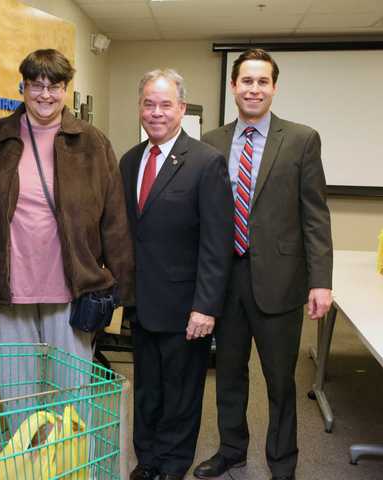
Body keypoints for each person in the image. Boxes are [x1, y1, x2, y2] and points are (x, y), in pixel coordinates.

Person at [0, 48, 134, 407]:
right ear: (23, 87)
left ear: (66, 89)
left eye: (55, 86)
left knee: (72, 390)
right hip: (9, 286)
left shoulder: (93, 144)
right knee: (17, 389)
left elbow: (115, 220)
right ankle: (26, 461)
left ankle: (68, 461)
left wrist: (123, 289)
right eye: (36, 85)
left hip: (70, 287)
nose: (45, 95)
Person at [193, 48, 333, 480]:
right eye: (246, 81)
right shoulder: (212, 142)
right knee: (229, 375)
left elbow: (315, 215)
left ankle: (283, 462)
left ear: (273, 87)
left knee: (279, 380)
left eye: (263, 81)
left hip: (282, 281)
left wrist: (321, 281)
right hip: (227, 280)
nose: (254, 89)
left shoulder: (301, 139)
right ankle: (232, 449)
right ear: (233, 86)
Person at [120, 69, 233, 480]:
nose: (156, 112)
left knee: (181, 393)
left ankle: (172, 464)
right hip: (142, 303)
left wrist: (205, 307)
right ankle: (146, 459)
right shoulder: (131, 160)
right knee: (147, 389)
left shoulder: (206, 162)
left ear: (182, 109)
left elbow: (216, 243)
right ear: (140, 108)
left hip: (187, 307)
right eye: (149, 103)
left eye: (166, 104)